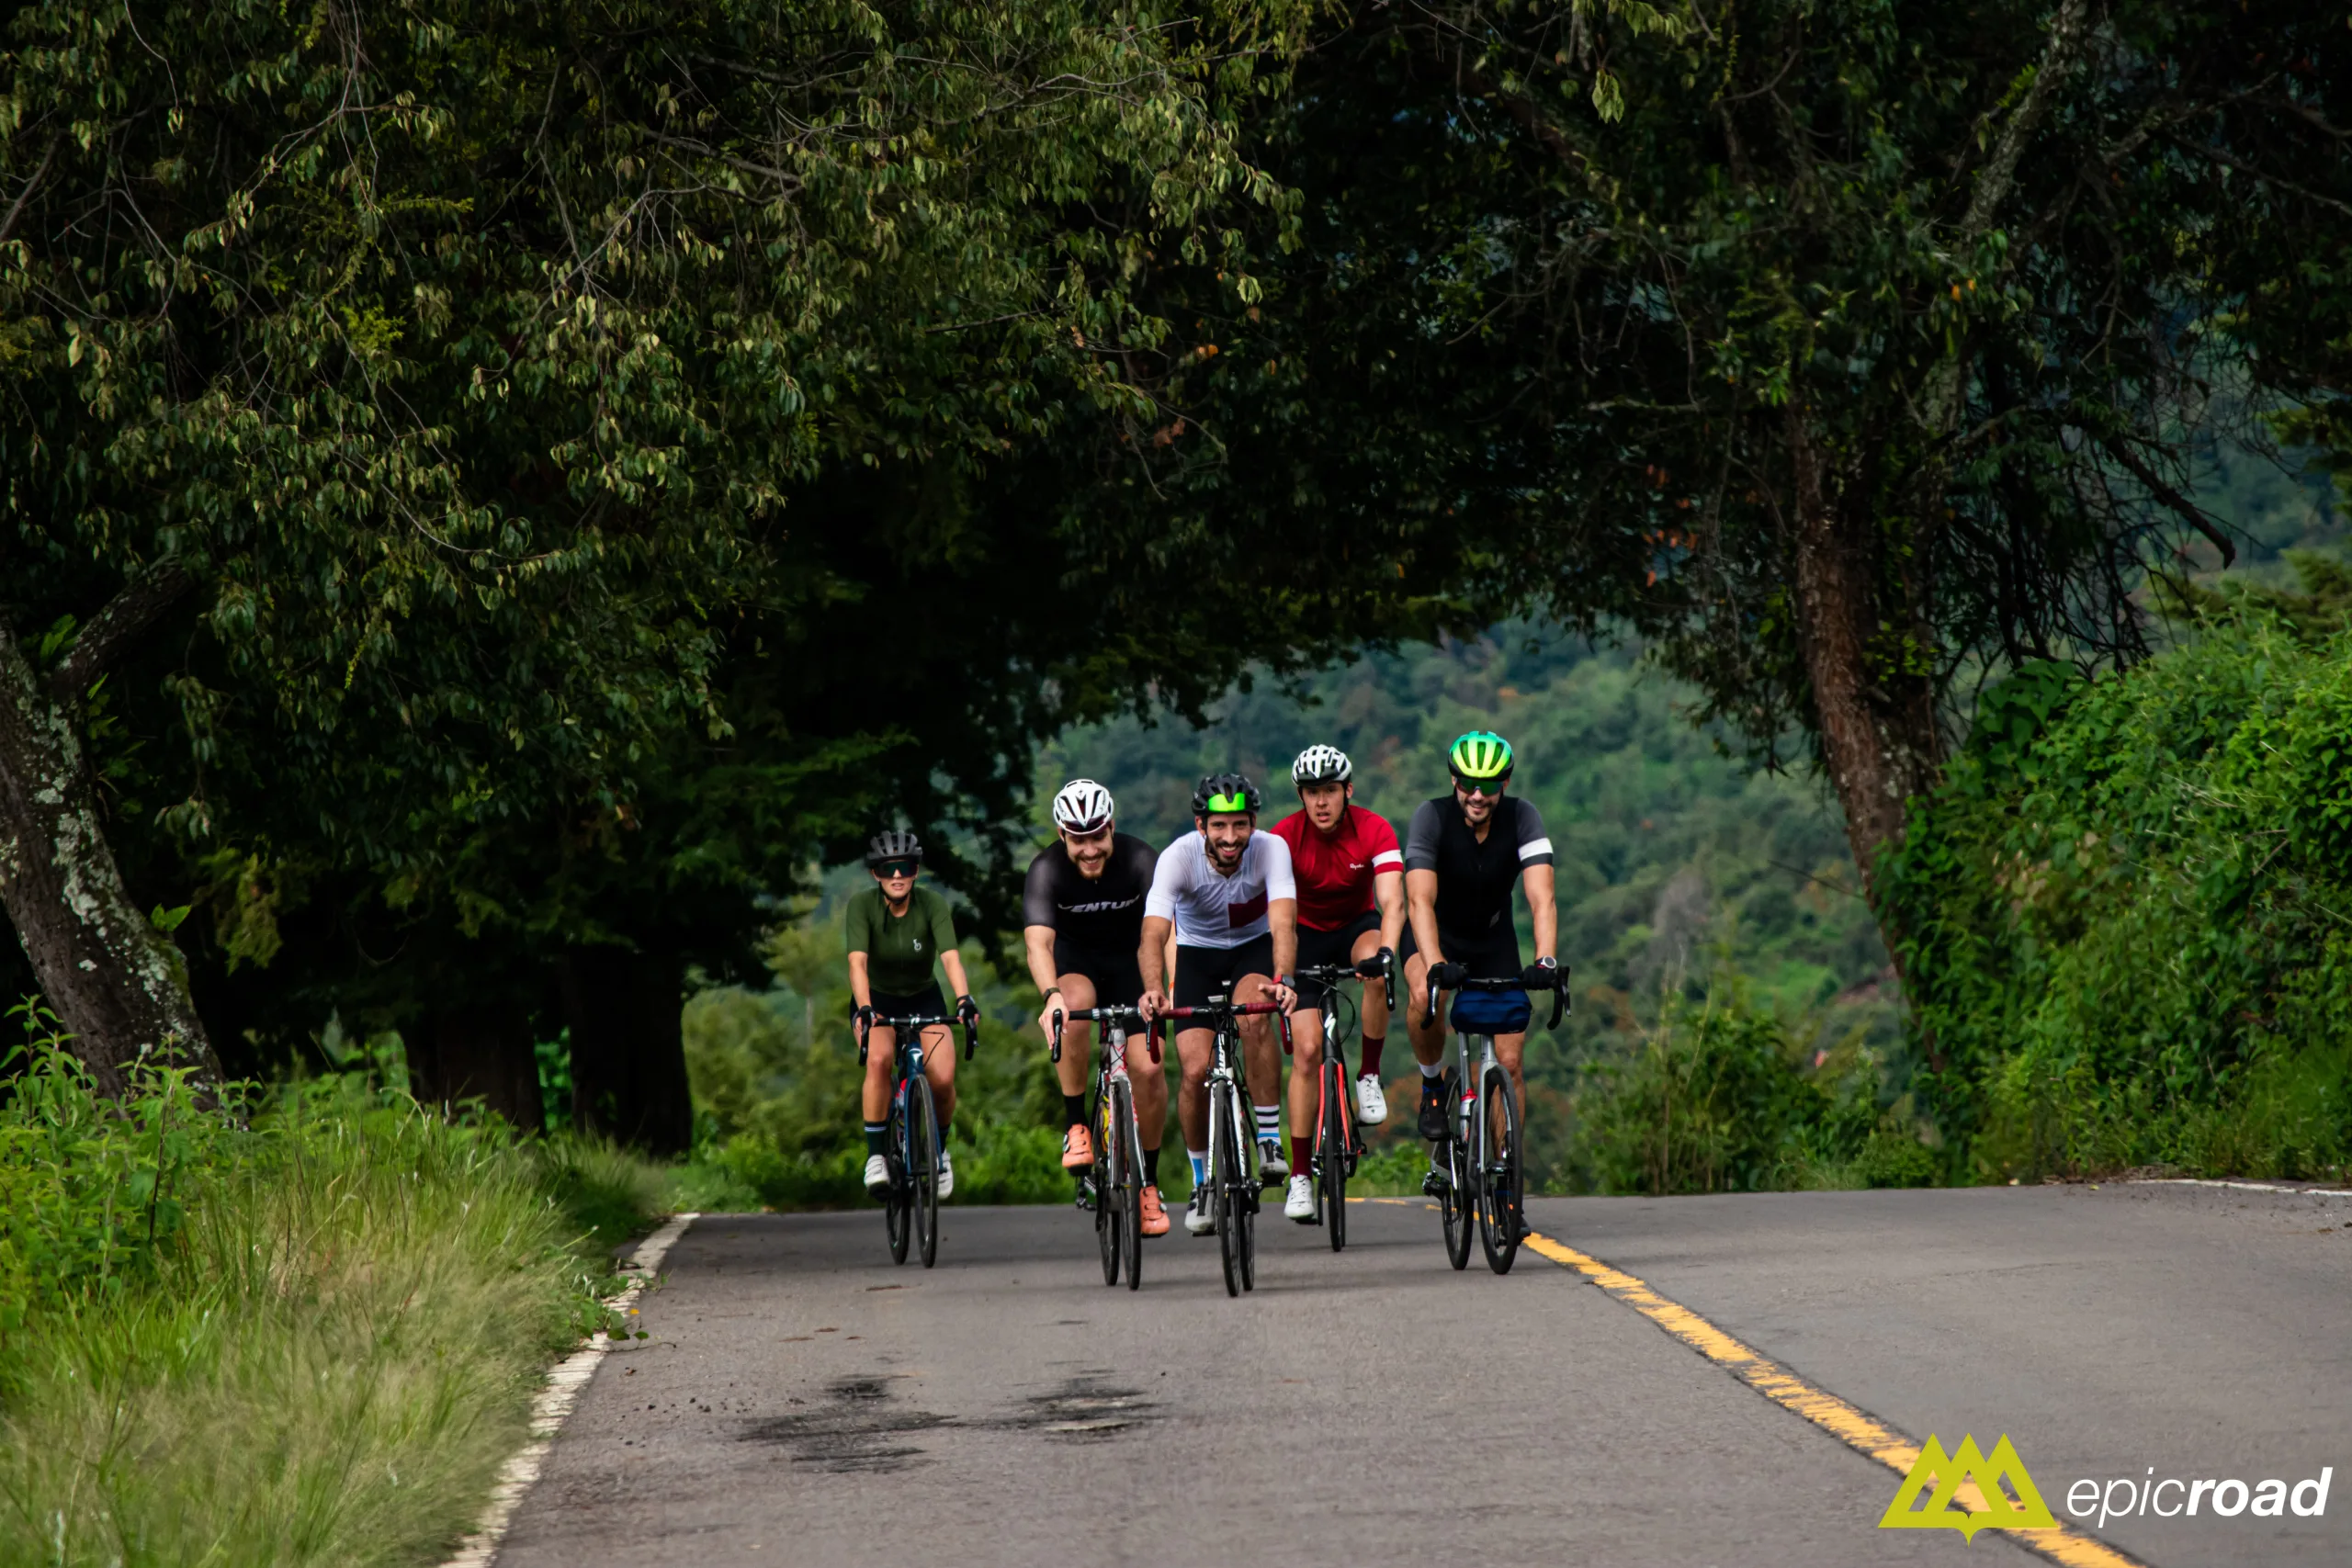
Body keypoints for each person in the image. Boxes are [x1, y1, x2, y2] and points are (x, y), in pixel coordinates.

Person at [1136, 772, 1299, 1237]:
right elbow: (1152, 935)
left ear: (1253, 823)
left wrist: (1283, 979)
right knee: (1193, 1071)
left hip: (1253, 949)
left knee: (1255, 1019)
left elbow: (1284, 923)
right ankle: (1202, 1181)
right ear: (1200, 824)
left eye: (1241, 825)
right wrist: (1153, 988)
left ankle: (1268, 1139)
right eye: (1220, 826)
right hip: (1197, 957)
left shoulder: (1272, 849)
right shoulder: (1177, 858)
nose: (1231, 838)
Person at [1400, 731, 1559, 1169]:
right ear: (1453, 779)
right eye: (1467, 782)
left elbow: (1541, 897)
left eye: (1488, 786)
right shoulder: (1430, 817)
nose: (1476, 794)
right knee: (1423, 996)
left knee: (1510, 1061)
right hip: (1434, 932)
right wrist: (1435, 964)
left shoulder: (1523, 816)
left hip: (1492, 938)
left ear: (1503, 784)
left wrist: (1545, 959)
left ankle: (1505, 1173)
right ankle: (1433, 1086)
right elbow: (1419, 901)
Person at [1021, 778, 1170, 1237]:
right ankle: (1076, 1126)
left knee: (1148, 1070)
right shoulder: (1046, 870)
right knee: (1074, 1008)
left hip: (1132, 964)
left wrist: (1169, 989)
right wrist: (1051, 999)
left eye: (1098, 836)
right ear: (1063, 836)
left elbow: (1167, 935)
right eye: (1079, 839)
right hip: (1077, 964)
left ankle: (1149, 1184)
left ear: (1112, 828)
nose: (1090, 849)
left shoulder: (1142, 859)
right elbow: (1038, 944)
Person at [1268, 744, 1404, 1222]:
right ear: (1301, 797)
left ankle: (1368, 1074)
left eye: (1329, 791)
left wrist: (1387, 952)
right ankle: (1301, 1177)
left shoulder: (1374, 828)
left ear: (1348, 791)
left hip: (1354, 928)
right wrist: (1282, 971)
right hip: (1302, 938)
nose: (1321, 802)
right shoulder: (1283, 838)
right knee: (1305, 1054)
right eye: (1311, 793)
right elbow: (1277, 913)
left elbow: (1392, 901)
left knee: (1375, 963)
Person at [846, 829, 978, 1200]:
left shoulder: (932, 904)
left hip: (925, 998)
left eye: (905, 868)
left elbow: (949, 956)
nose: (897, 876)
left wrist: (964, 998)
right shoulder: (862, 906)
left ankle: (939, 1149)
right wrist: (866, 1008)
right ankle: (876, 1157)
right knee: (879, 1059)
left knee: (943, 1076)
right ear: (876, 874)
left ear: (916, 871)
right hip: (876, 1000)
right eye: (888, 870)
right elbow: (857, 962)